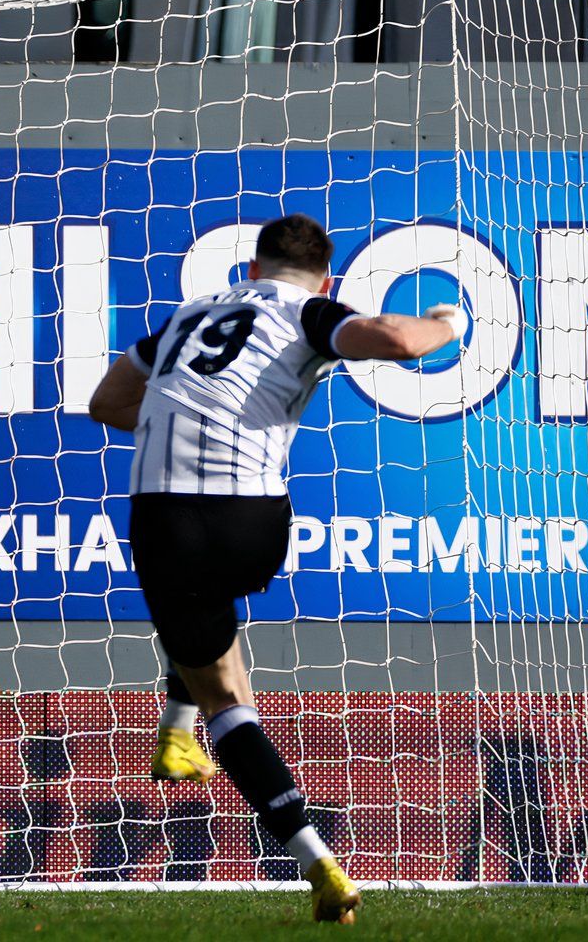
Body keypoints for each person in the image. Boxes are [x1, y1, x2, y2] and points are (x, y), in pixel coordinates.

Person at [87, 212, 465, 923]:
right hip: (255, 525)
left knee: (227, 692)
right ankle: (176, 729)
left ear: (252, 270)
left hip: (165, 516)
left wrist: (181, 420)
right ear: (326, 278)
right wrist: (448, 320)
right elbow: (397, 339)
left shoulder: (189, 315)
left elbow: (106, 403)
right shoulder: (313, 308)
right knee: (213, 606)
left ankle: (315, 860)